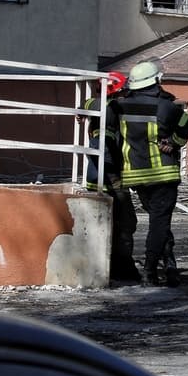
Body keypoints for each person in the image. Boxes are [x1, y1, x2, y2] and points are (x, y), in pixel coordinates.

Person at [108, 59, 188, 287]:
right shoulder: (166, 107)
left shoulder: (117, 106)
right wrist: (174, 143)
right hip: (162, 174)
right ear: (156, 81)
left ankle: (169, 267)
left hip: (135, 176)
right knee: (159, 223)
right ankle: (150, 271)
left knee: (159, 222)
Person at [82, 72, 141, 283]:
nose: (127, 95)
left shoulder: (100, 107)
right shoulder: (109, 109)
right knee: (125, 223)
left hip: (101, 176)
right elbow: (104, 147)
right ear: (115, 90)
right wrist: (115, 176)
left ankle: (113, 266)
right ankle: (122, 268)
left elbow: (89, 103)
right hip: (108, 178)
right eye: (124, 91)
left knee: (110, 225)